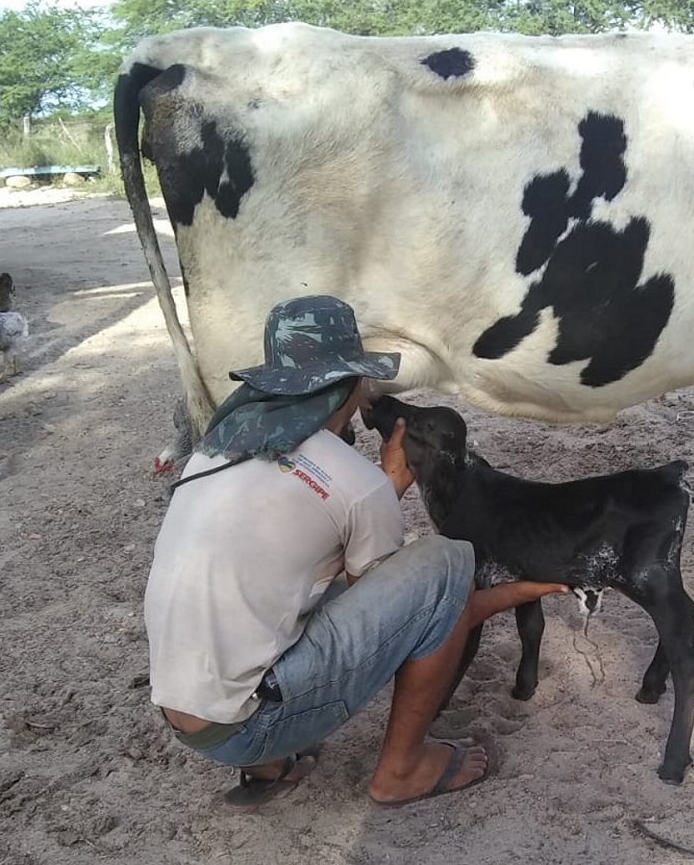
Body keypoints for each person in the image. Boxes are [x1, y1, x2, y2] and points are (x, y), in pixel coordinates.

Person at [144, 295, 567, 811]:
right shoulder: (351, 479)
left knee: (286, 586)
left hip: (183, 716)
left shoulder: (215, 450)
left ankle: (268, 769)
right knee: (446, 563)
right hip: (250, 723)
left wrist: (381, 487)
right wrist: (523, 589)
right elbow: (415, 614)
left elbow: (330, 556)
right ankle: (401, 770)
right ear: (350, 386)